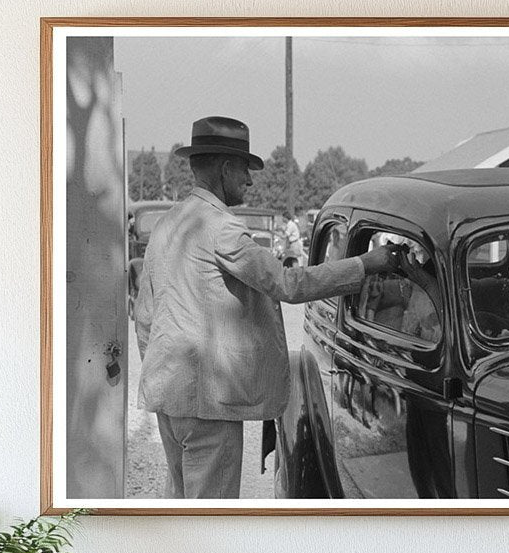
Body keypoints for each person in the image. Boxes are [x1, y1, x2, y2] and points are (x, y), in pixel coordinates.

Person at [134, 115, 402, 499]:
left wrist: (164, 377)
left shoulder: (168, 225)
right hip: (209, 405)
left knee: (179, 503)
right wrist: (367, 265)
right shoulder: (222, 229)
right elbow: (288, 284)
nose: (250, 179)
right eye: (245, 168)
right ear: (226, 168)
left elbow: (146, 318)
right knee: (211, 517)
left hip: (168, 395)